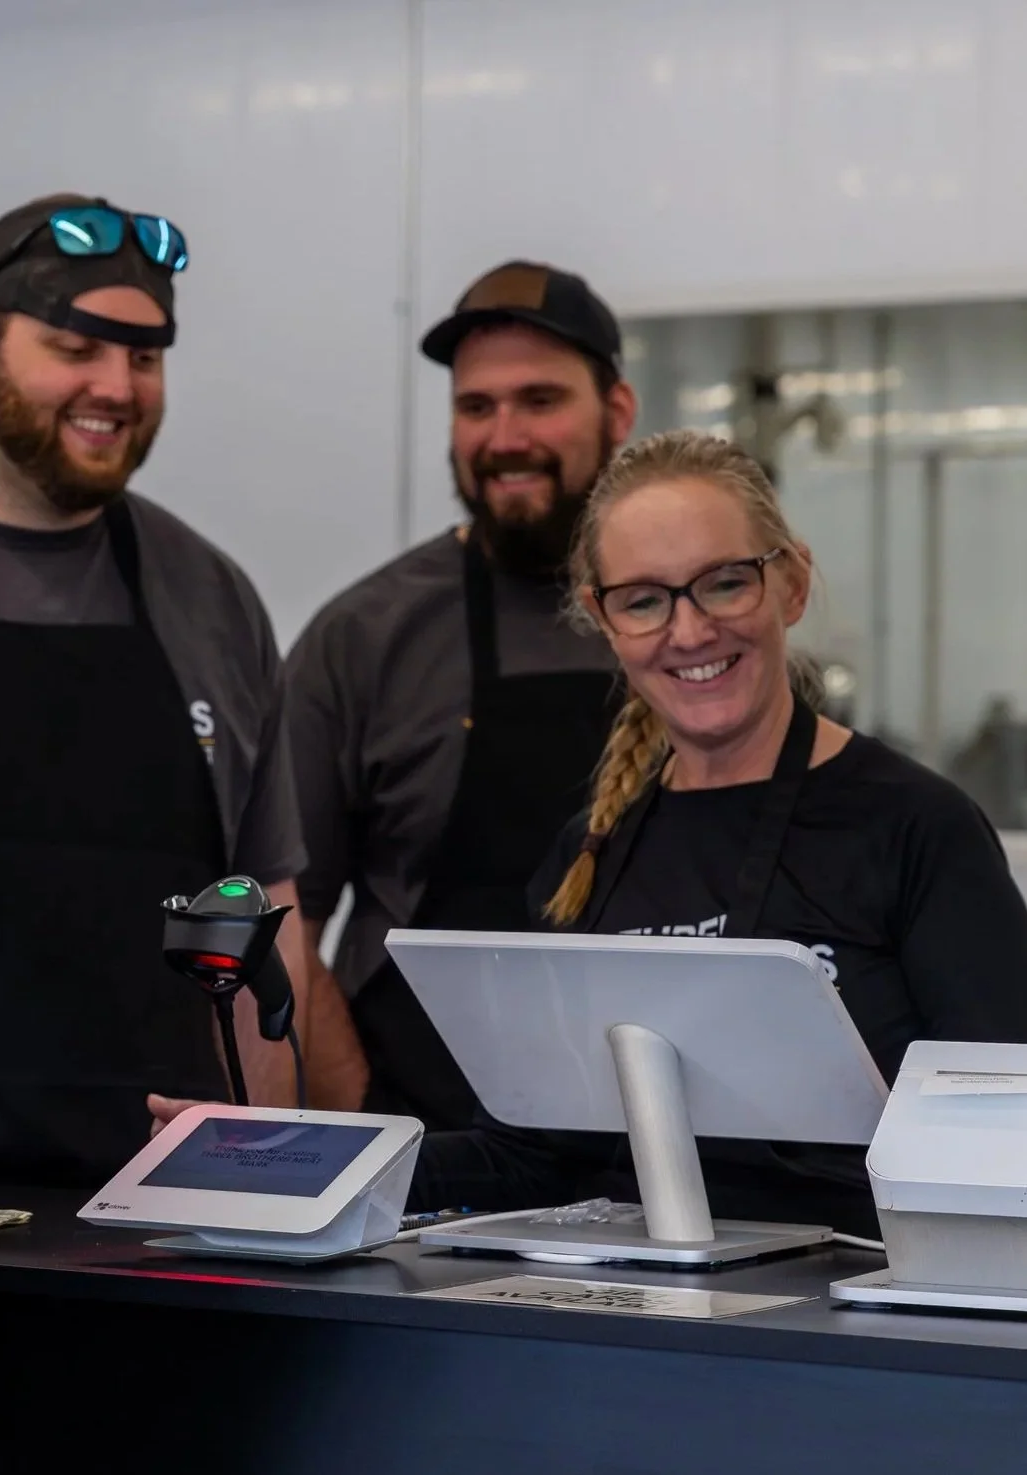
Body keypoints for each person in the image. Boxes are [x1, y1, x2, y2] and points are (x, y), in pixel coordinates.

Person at [0, 193, 319, 1188]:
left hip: (162, 1215)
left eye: (145, 357)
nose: (115, 386)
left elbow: (260, 924)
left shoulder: (212, 597)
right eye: (76, 347)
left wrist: (277, 1187)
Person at [413, 428, 1027, 1234]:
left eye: (725, 584)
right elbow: (530, 1155)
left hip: (856, 1292)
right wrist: (318, 1159)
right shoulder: (588, 854)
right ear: (604, 619)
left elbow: (1002, 1131)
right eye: (644, 600)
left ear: (791, 584)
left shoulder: (917, 828)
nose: (691, 631)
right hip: (632, 1291)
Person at [279, 261, 637, 1128]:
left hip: (659, 1140)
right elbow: (283, 921)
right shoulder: (364, 638)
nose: (505, 436)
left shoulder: (683, 628)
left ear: (618, 412)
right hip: (420, 1141)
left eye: (540, 400)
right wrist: (370, 1122)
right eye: (477, 406)